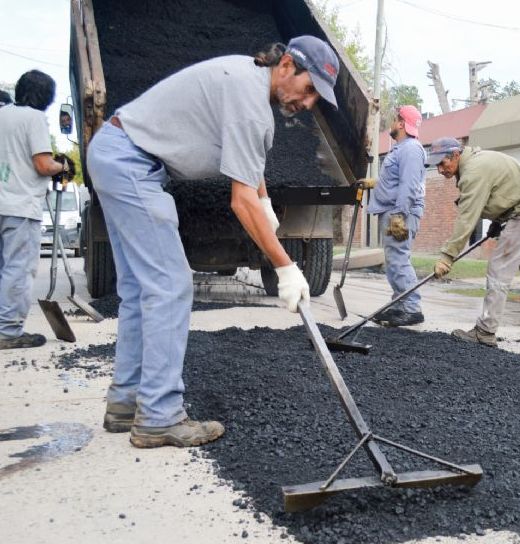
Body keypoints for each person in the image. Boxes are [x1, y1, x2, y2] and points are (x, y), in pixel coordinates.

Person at [86, 36, 340, 448]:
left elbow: (250, 173)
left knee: (138, 290)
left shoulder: (249, 82)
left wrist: (265, 199)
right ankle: (159, 416)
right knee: (171, 285)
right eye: (310, 89)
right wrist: (286, 266)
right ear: (288, 65)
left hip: (117, 153)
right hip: (131, 162)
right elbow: (240, 200)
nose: (308, 103)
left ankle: (126, 403)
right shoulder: (250, 102)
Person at [428, 137, 520, 347]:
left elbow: (467, 218)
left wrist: (447, 256)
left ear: (456, 155)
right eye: (436, 165)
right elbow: (499, 191)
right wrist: (497, 221)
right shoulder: (473, 164)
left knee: (498, 269)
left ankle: (485, 330)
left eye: (442, 163)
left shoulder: (473, 172)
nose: (440, 170)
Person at [0, 70, 72, 350]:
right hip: (20, 205)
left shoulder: (3, 114)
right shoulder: (34, 119)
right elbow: (42, 165)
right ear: (47, 97)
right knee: (18, 269)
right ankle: (7, 331)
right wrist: (63, 166)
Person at [366, 105, 426, 327]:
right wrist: (374, 184)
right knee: (394, 261)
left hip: (400, 213)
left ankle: (411, 308)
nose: (391, 123)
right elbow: (396, 181)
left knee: (399, 259)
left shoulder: (410, 149)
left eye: (394, 120)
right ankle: (400, 305)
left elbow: (409, 185)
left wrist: (399, 215)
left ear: (401, 123)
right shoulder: (401, 148)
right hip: (394, 210)